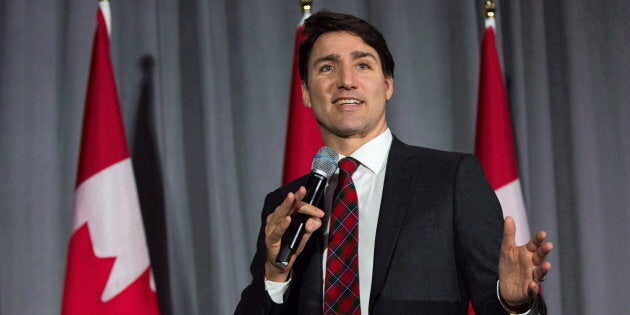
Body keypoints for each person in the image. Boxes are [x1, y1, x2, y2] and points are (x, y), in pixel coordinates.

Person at [235, 10, 552, 315]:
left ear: (387, 84)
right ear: (306, 92)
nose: (347, 81)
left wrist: (515, 305)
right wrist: (275, 273)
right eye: (327, 68)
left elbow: (498, 304)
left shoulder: (451, 179)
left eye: (362, 65)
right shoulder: (286, 205)